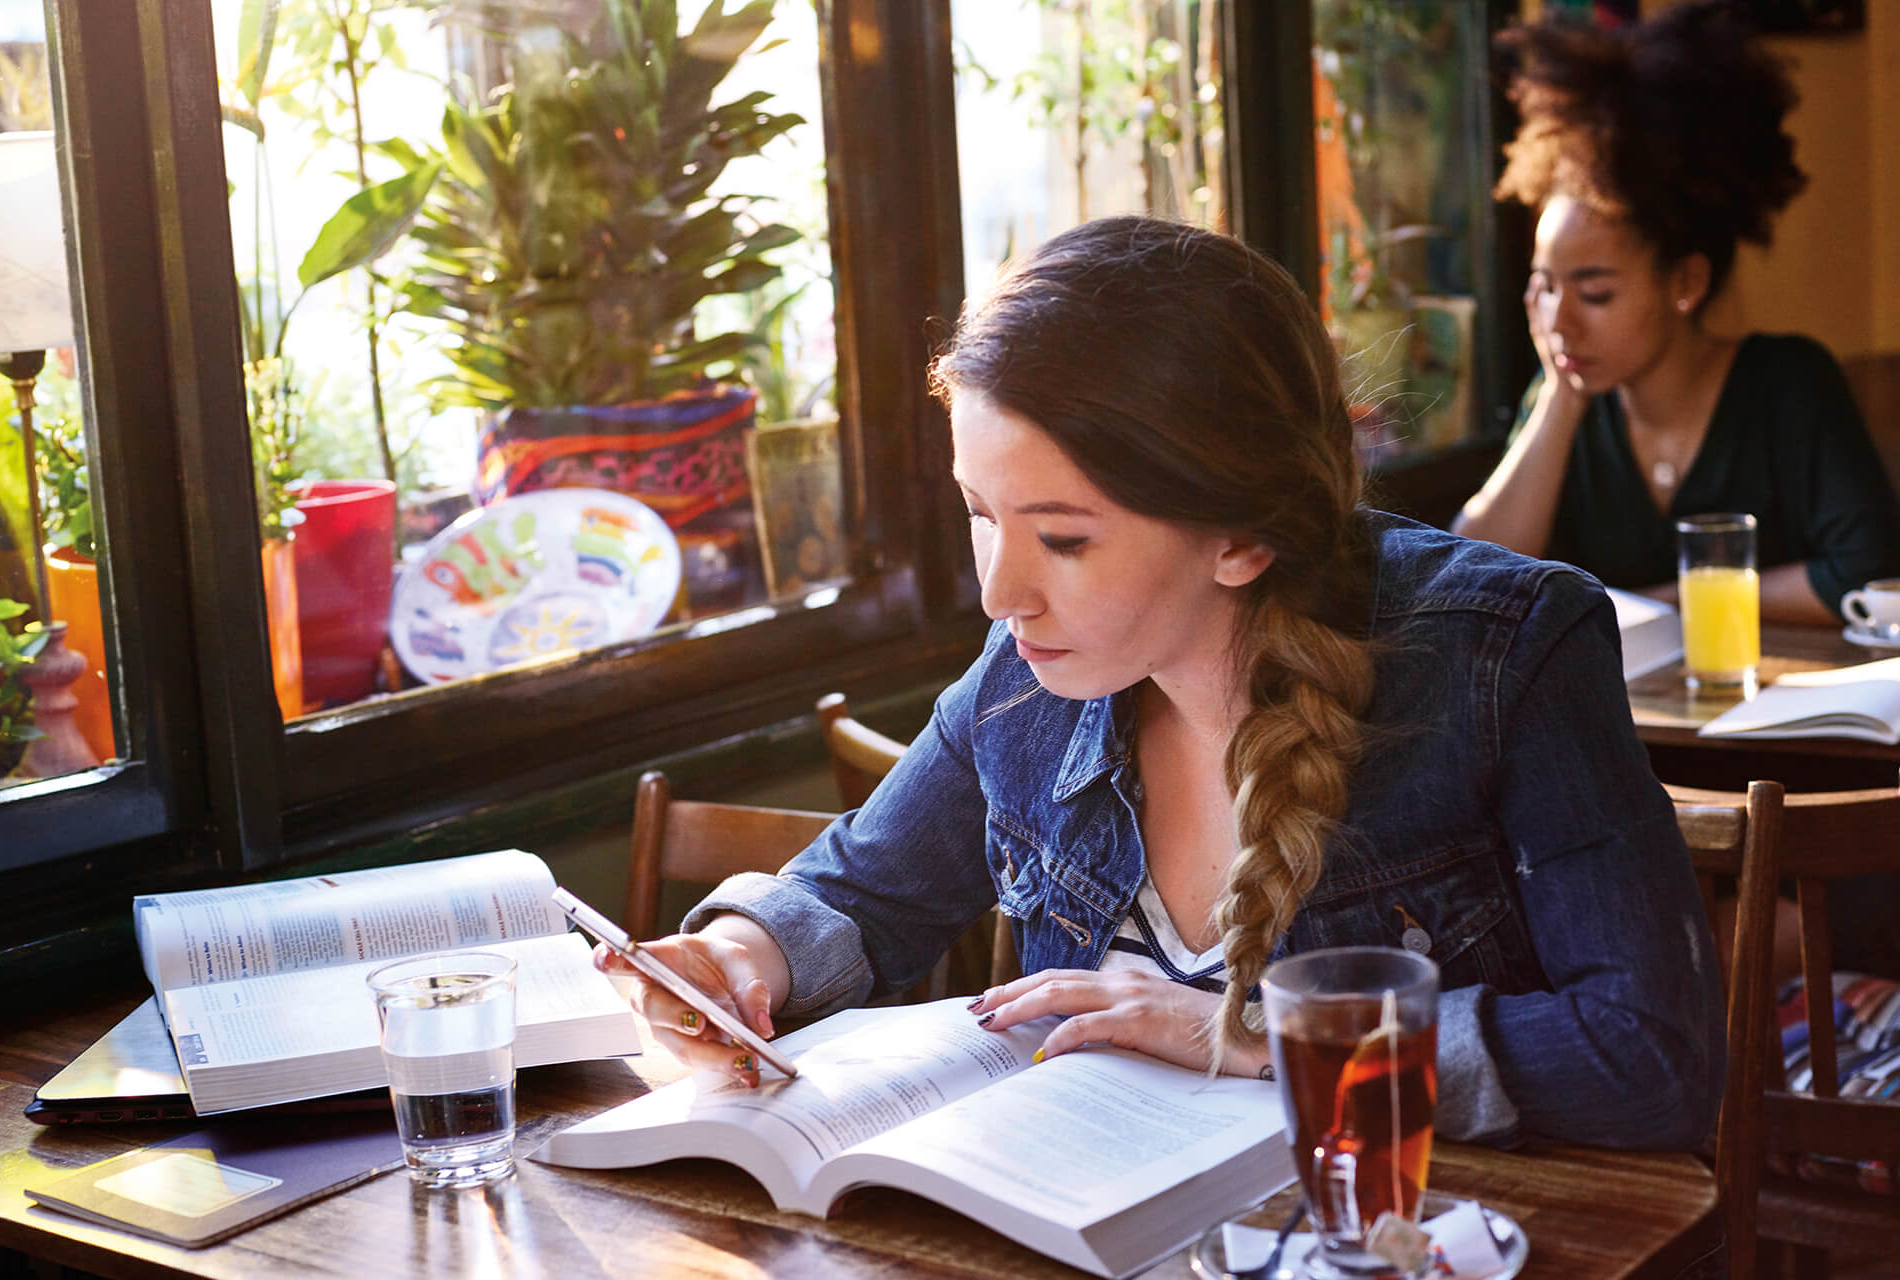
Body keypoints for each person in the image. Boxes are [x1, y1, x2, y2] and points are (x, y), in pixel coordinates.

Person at [598, 215, 1723, 1151]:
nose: (1003, 593)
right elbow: (858, 893)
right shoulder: (1029, 680)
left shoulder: (1507, 651)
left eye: (1066, 539)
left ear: (1239, 536)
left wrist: (1262, 1035)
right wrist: (735, 959)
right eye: (981, 515)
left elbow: (1652, 1059)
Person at [1453, 1, 1900, 623]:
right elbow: (1471, 580)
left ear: (1686, 281)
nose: (1561, 321)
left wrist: (1670, 605)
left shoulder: (1789, 385)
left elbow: (1864, 576)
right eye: (1544, 288)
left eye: (1596, 292)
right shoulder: (1564, 402)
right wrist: (1559, 401)